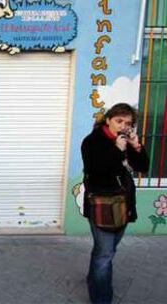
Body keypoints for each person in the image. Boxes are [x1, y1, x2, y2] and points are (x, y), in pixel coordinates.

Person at [81, 103, 149, 304]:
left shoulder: (126, 140)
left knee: (105, 252)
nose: (123, 126)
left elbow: (142, 167)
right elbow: (95, 170)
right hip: (102, 205)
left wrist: (136, 146)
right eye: (119, 121)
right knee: (106, 254)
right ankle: (101, 298)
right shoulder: (92, 141)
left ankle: (94, 277)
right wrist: (118, 151)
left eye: (127, 123)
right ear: (108, 120)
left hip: (124, 204)